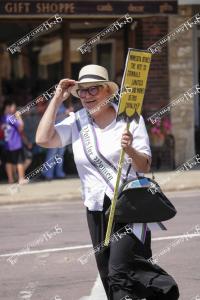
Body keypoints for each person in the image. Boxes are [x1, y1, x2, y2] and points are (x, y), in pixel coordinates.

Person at [36, 65, 179, 300]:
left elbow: (145, 166)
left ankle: (164, 290)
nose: (86, 96)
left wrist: (130, 148)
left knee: (119, 273)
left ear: (107, 92)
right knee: (108, 275)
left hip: (130, 206)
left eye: (92, 90)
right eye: (81, 91)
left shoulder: (129, 119)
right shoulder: (77, 122)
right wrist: (57, 99)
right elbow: (42, 139)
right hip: (95, 208)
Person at [0, 100, 26, 184]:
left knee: (9, 161)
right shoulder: (11, 117)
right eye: (13, 106)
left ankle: (10, 179)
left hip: (7, 144)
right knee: (19, 161)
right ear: (8, 107)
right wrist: (19, 117)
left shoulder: (3, 117)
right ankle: (21, 179)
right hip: (15, 143)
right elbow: (21, 127)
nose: (14, 108)